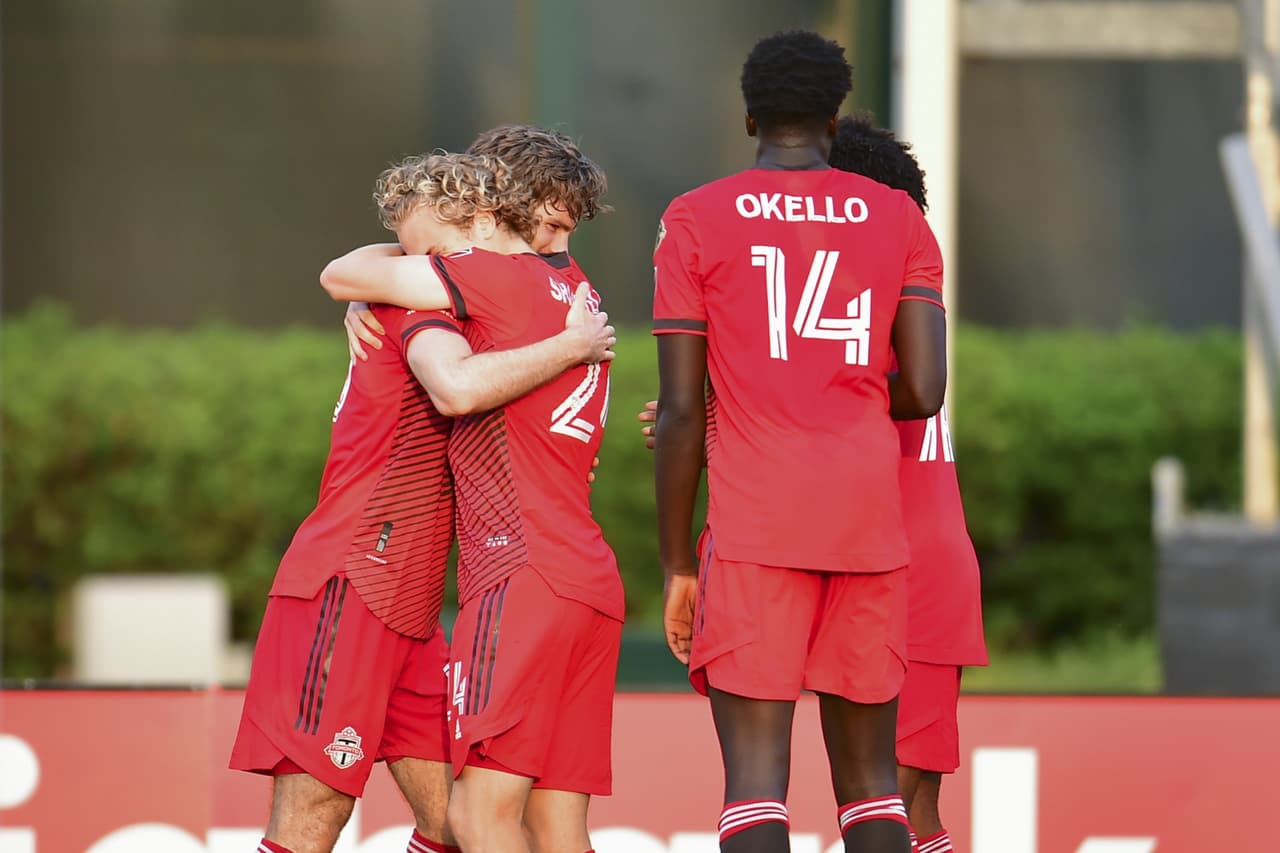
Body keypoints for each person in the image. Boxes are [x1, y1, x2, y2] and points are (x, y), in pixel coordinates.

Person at [231, 151, 615, 853]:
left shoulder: (481, 291)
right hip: (351, 577)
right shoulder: (434, 304)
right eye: (416, 256)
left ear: (485, 219)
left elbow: (358, 274)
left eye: (432, 252)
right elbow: (455, 385)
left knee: (455, 826)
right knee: (315, 814)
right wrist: (570, 346)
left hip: (412, 600)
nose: (424, 267)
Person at [652, 30, 947, 853]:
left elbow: (680, 411)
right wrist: (839, 388)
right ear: (833, 115)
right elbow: (923, 392)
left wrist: (677, 563)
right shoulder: (900, 219)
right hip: (866, 522)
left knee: (754, 788)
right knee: (872, 793)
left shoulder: (694, 218)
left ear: (749, 118)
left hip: (755, 526)